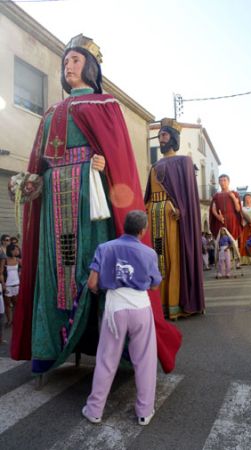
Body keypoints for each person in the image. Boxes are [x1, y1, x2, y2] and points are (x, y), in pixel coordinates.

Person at [10, 34, 181, 375]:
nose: (68, 66)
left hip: (93, 204)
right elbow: (39, 163)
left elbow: (119, 163)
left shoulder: (106, 106)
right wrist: (31, 181)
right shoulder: (50, 113)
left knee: (98, 271)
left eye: (74, 60)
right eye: (65, 61)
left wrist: (100, 167)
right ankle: (49, 347)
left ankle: (117, 349)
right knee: (54, 276)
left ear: (89, 66)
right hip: (55, 205)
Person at [82, 210, 161, 426]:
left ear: (124, 227)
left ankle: (95, 410)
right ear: (142, 230)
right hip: (140, 307)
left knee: (107, 359)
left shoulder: (104, 248)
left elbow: (91, 283)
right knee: (144, 361)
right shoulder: (149, 253)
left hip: (115, 307)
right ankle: (144, 412)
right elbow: (155, 284)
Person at [144, 118, 205, 319]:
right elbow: (148, 194)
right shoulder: (154, 165)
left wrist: (180, 209)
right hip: (154, 216)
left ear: (173, 138)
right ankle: (159, 304)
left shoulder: (184, 162)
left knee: (172, 260)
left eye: (164, 135)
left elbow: (187, 196)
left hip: (172, 219)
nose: (160, 140)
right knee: (157, 259)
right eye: (160, 136)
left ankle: (174, 303)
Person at [209, 174, 243, 242]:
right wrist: (218, 216)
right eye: (220, 181)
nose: (222, 182)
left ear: (228, 182)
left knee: (232, 242)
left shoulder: (234, 193)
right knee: (221, 242)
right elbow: (213, 209)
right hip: (220, 220)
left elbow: (238, 209)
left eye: (224, 180)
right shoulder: (216, 195)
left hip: (232, 220)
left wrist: (233, 197)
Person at [0, 243, 21, 326]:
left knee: (16, 304)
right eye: (15, 249)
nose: (17, 251)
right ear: (10, 250)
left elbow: (24, 269)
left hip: (17, 285)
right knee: (8, 305)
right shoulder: (5, 260)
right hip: (8, 285)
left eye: (17, 249)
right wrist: (3, 284)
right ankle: (9, 320)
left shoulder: (18, 260)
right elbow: (1, 273)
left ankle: (15, 320)